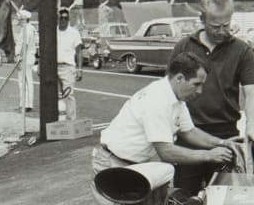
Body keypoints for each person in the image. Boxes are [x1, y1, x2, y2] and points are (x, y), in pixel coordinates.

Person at [170, 0, 254, 193]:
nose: (222, 31)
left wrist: (253, 122)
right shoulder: (183, 46)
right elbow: (170, 91)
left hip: (226, 135)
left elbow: (252, 91)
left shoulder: (242, 50)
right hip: (188, 134)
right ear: (202, 19)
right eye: (215, 27)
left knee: (225, 200)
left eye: (226, 25)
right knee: (183, 199)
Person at [91, 51, 234, 180]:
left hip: (135, 163)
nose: (200, 91)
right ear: (179, 78)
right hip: (113, 163)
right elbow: (166, 152)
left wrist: (222, 143)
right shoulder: (157, 100)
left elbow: (189, 132)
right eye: (196, 84)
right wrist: (208, 155)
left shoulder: (176, 97)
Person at [55, 6, 84, 121]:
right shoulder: (53, 31)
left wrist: (80, 69)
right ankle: (57, 120)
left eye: (65, 18)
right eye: (61, 17)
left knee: (68, 94)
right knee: (55, 95)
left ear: (68, 19)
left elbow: (79, 52)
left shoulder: (74, 33)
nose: (63, 20)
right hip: (54, 66)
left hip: (68, 67)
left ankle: (71, 120)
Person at [14, 8, 37, 112]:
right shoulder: (28, 28)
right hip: (25, 57)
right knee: (22, 82)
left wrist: (19, 58)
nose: (18, 21)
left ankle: (27, 105)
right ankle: (23, 104)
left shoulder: (27, 29)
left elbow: (25, 45)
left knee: (26, 82)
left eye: (20, 19)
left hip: (26, 57)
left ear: (24, 19)